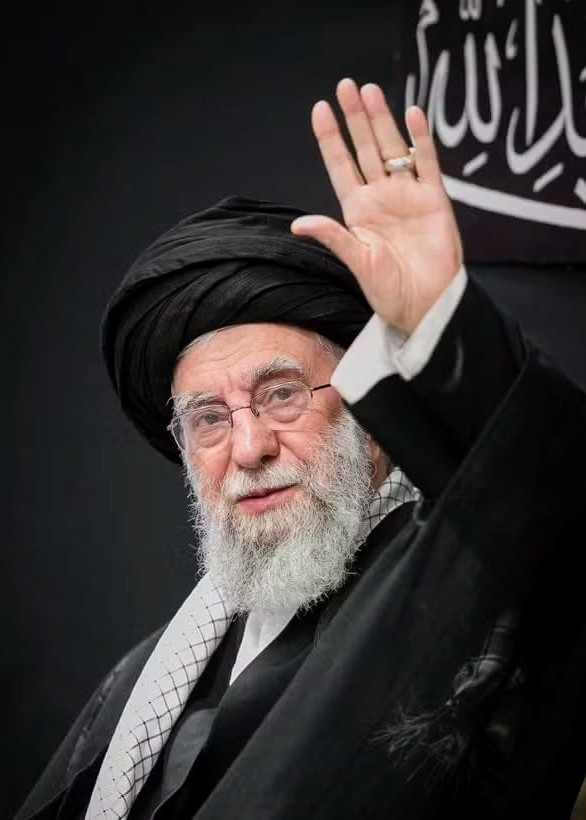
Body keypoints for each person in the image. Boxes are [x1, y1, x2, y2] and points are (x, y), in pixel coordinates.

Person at [16, 79, 586, 820]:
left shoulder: (463, 584)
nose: (249, 447)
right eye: (209, 419)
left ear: (366, 405)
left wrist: (438, 322)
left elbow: (549, 507)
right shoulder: (143, 678)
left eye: (282, 394)